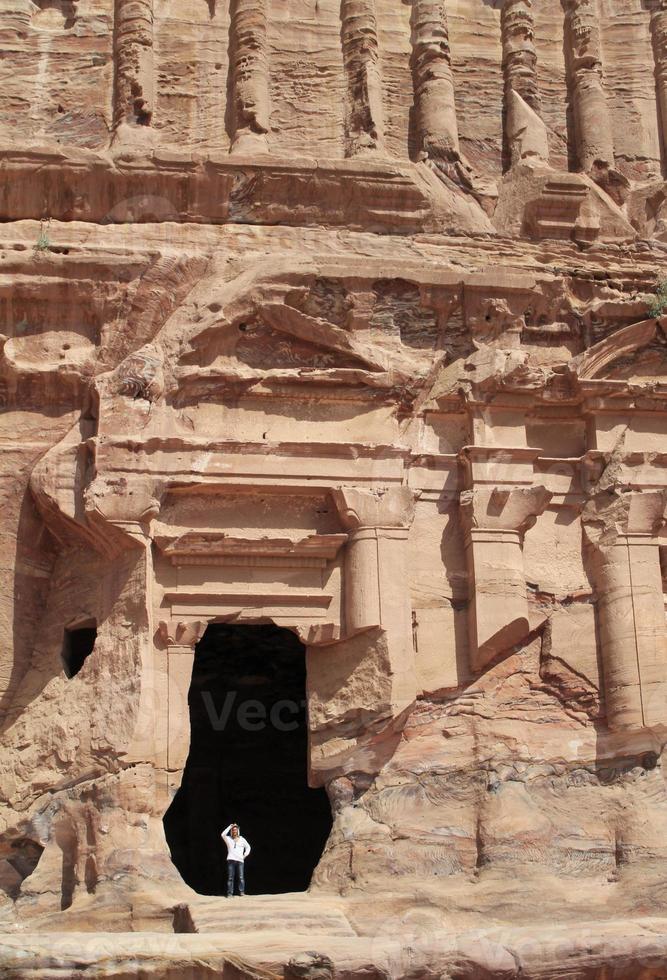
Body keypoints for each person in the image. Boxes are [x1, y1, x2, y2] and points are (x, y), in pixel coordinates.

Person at [221, 822, 251, 897]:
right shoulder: (228, 839)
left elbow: (248, 847)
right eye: (233, 830)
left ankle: (241, 892)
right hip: (231, 860)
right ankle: (230, 893)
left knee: (241, 877)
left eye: (235, 830)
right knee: (230, 877)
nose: (234, 831)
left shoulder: (242, 839)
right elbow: (223, 834)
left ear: (238, 831)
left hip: (240, 860)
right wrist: (229, 826)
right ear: (231, 831)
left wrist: (245, 855)